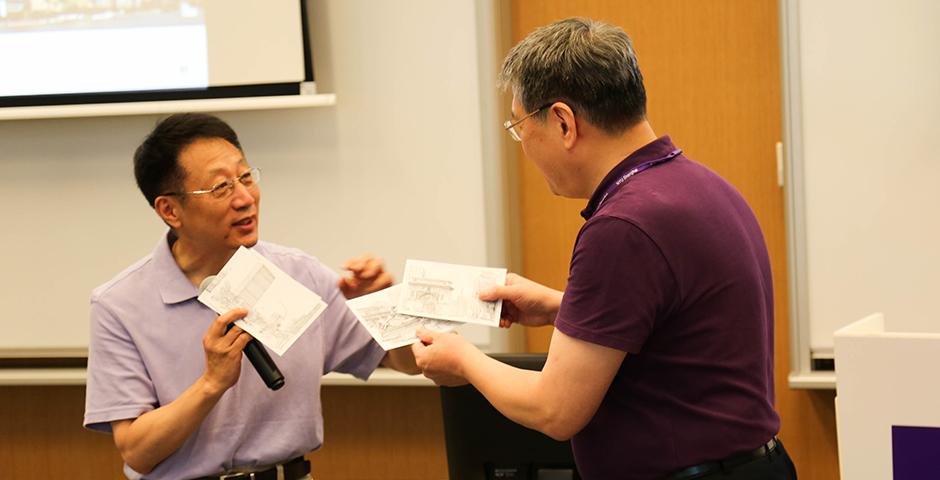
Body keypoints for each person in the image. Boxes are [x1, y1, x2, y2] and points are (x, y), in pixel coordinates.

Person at [412, 17, 797, 480]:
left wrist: (462, 359)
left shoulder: (622, 226)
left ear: (562, 122)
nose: (524, 146)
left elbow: (555, 411)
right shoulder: (700, 186)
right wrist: (561, 306)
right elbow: (675, 326)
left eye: (519, 127)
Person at [83, 113, 418, 480]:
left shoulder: (300, 274)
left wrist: (385, 305)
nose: (245, 198)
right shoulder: (119, 305)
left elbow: (406, 363)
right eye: (221, 187)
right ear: (169, 210)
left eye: (245, 177)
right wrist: (211, 384)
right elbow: (137, 451)